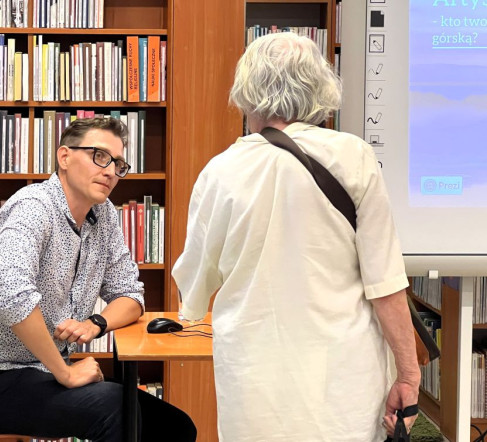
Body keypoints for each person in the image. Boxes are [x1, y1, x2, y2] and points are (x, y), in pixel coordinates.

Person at [171, 32, 420, 441]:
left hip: (255, 381)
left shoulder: (220, 171)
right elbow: (385, 283)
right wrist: (409, 375)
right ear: (321, 88)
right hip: (344, 378)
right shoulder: (353, 156)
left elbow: (195, 287)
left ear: (245, 93)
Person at [0, 118, 197, 442]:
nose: (110, 171)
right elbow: (11, 294)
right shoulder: (34, 206)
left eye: (118, 164)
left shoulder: (104, 215)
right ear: (64, 157)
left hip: (39, 373)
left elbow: (131, 295)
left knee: (175, 426)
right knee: (116, 410)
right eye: (99, 156)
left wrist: (96, 323)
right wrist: (65, 373)